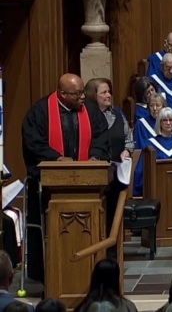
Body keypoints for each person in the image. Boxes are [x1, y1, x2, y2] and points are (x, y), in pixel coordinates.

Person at [21, 73, 110, 282]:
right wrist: (57, 159)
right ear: (61, 93)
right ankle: (50, 276)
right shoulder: (40, 112)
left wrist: (95, 156)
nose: (82, 97)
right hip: (49, 191)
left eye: (82, 91)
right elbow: (33, 143)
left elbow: (102, 135)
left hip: (88, 186)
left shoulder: (91, 110)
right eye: (76, 93)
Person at [85, 77, 134, 258]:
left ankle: (113, 255)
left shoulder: (118, 115)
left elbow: (129, 140)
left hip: (116, 177)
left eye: (109, 91)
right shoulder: (86, 118)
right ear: (93, 95)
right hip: (94, 177)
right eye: (103, 92)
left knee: (113, 217)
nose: (108, 95)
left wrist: (127, 152)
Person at [133, 107, 172, 196]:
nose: (168, 123)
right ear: (159, 122)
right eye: (164, 120)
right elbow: (141, 171)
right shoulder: (150, 145)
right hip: (157, 190)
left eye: (171, 120)